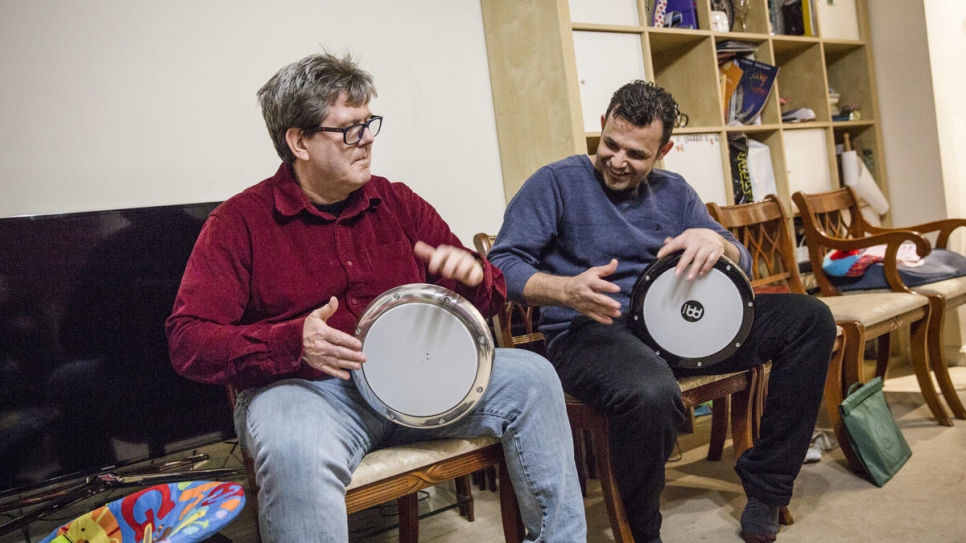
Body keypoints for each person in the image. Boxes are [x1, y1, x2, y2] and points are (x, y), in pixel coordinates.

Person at [165, 52, 586, 543]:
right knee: (293, 444)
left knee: (533, 377)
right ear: (298, 141)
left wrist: (473, 276)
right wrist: (291, 340)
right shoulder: (238, 223)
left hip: (419, 381)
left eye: (369, 124)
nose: (366, 140)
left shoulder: (398, 201)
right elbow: (188, 341)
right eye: (348, 129)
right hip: (308, 394)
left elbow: (487, 298)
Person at [487, 80, 836, 543]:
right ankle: (642, 529)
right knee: (650, 393)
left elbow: (742, 263)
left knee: (810, 320)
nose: (617, 159)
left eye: (636, 154)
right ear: (603, 124)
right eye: (610, 144)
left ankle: (768, 489)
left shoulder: (675, 191)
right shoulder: (556, 183)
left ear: (664, 150)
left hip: (677, 323)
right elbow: (500, 268)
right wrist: (566, 289)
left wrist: (720, 243)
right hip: (591, 331)